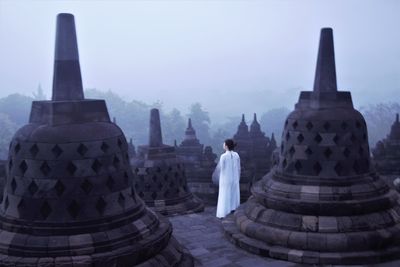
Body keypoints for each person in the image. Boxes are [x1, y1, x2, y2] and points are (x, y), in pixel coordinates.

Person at [213, 139, 241, 218]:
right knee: (233, 194)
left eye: (224, 144)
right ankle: (233, 209)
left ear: (226, 146)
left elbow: (220, 169)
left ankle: (224, 213)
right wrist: (237, 177)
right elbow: (239, 168)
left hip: (225, 179)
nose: (223, 145)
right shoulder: (236, 155)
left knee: (225, 195)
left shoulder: (223, 156)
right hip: (234, 179)